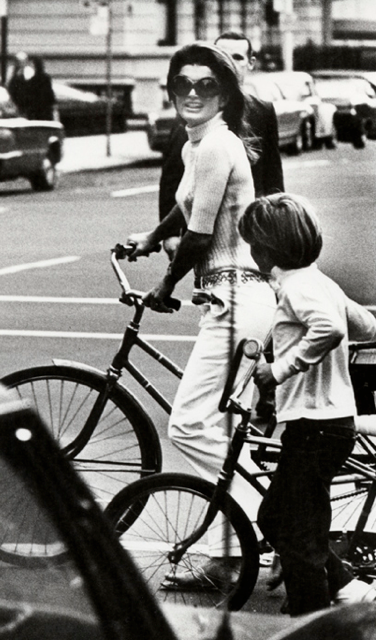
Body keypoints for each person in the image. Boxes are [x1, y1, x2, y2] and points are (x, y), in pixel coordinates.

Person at [126, 41, 276, 588]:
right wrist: (150, 237)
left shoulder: (216, 146)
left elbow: (202, 229)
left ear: (225, 93)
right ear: (170, 90)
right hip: (235, 300)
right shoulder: (200, 144)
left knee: (189, 424)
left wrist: (165, 283)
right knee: (226, 431)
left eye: (205, 85)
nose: (192, 93)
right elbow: (185, 207)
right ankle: (229, 556)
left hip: (237, 300)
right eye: (182, 84)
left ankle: (268, 524)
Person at [239, 192, 376, 616]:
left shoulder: (297, 288)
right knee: (277, 518)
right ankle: (344, 586)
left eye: (252, 244)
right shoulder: (318, 282)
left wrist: (280, 369)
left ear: (266, 249)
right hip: (327, 424)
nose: (250, 251)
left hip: (315, 427)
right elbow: (365, 324)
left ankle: (311, 616)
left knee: (298, 532)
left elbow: (331, 328)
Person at [159, 31, 284, 261]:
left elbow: (272, 174)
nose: (230, 63)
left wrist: (276, 224)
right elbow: (172, 176)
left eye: (236, 57)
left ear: (250, 63)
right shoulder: (193, 109)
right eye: (222, 56)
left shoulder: (262, 111)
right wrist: (168, 234)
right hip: (200, 222)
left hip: (249, 225)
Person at [26, 56, 57, 121]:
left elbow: (30, 96)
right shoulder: (46, 78)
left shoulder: (32, 81)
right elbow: (50, 94)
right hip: (46, 109)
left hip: (36, 110)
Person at [7, 51, 33, 117]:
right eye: (17, 61)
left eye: (20, 61)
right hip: (13, 97)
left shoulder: (29, 71)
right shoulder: (11, 70)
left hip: (25, 99)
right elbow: (8, 83)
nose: (18, 63)